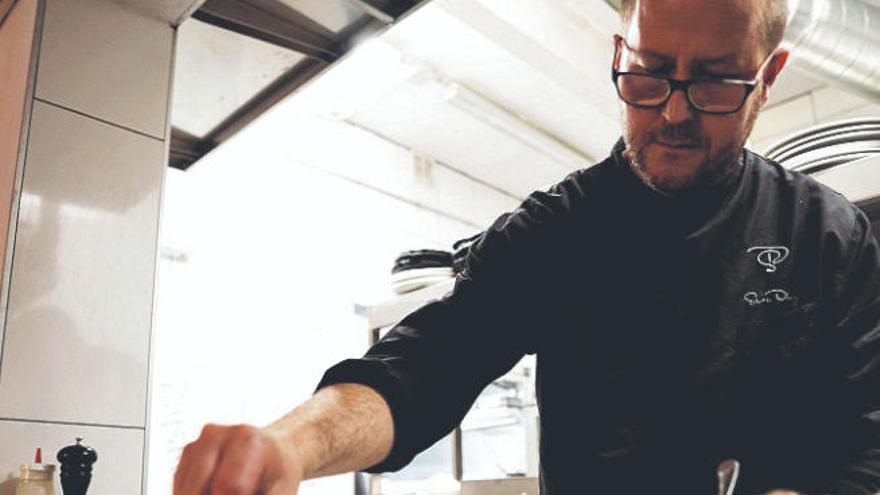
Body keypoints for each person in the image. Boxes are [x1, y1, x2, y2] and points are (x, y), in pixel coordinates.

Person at [172, 0, 880, 493]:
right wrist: (293, 443)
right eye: (650, 71)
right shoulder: (561, 229)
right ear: (619, 52)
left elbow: (865, 445)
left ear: (770, 76)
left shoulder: (829, 235)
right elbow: (425, 365)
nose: (672, 111)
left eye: (717, 81)